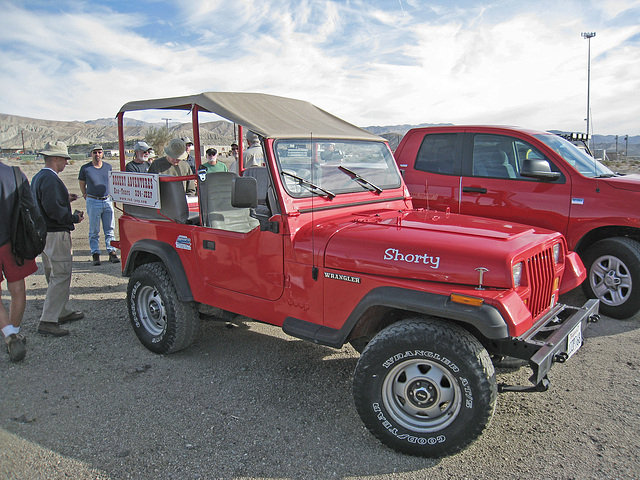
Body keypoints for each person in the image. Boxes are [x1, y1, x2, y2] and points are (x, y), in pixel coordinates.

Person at [31, 141, 85, 337]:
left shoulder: (39, 177)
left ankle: (59, 311)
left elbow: (45, 203)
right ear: (55, 158)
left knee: (53, 273)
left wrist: (64, 199)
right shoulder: (51, 179)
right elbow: (53, 210)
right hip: (56, 233)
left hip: (45, 234)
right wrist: (72, 218)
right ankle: (48, 320)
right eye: (63, 159)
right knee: (61, 275)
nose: (65, 164)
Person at [0, 157, 38, 361]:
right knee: (18, 289)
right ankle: (14, 332)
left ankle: (9, 335)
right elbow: (29, 207)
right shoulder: (15, 174)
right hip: (14, 241)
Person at [78, 145, 119, 266]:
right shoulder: (85, 168)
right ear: (91, 154)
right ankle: (95, 253)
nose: (97, 154)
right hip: (93, 201)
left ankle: (111, 251)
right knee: (94, 229)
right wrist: (84, 194)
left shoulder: (108, 166)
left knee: (110, 228)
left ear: (102, 154)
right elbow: (82, 183)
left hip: (107, 200)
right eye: (95, 152)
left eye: (99, 152)